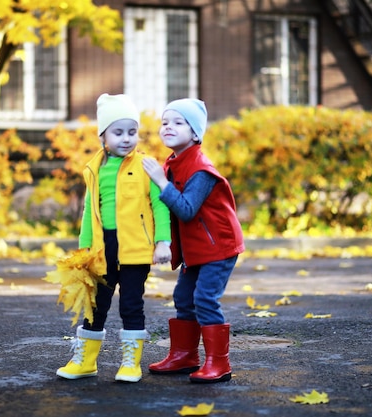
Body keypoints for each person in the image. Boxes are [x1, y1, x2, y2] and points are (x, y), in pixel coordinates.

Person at [56, 93, 172, 383]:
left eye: (132, 132)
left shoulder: (145, 165)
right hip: (101, 249)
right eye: (118, 132)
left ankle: (130, 362)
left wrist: (163, 242)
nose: (126, 138)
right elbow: (88, 211)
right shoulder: (95, 169)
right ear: (103, 135)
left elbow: (159, 205)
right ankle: (86, 361)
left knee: (131, 304)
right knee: (95, 305)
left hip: (135, 249)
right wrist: (84, 250)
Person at [142, 98, 245, 383]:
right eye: (165, 122)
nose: (168, 127)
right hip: (196, 248)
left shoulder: (200, 169)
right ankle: (184, 355)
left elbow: (186, 210)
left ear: (195, 133)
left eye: (178, 122)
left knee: (204, 298)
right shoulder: (173, 163)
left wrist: (161, 183)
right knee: (183, 298)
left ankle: (219, 363)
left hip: (218, 246)